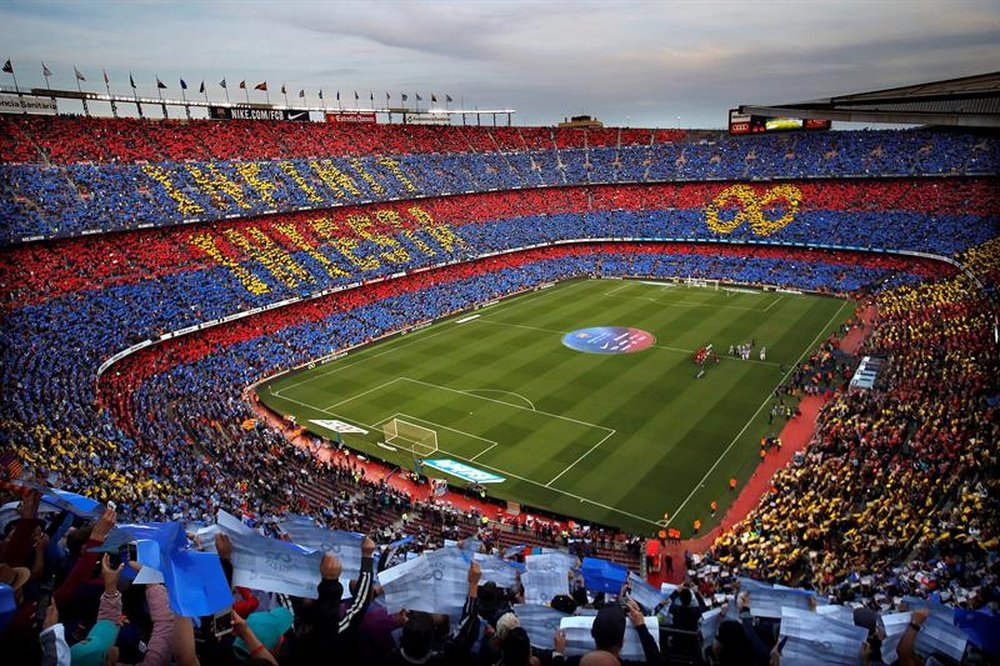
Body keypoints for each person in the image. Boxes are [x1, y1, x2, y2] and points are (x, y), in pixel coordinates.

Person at [553, 599, 662, 665]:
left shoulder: (574, 662)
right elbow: (656, 662)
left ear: (592, 633)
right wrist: (641, 626)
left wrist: (558, 653)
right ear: (623, 642)